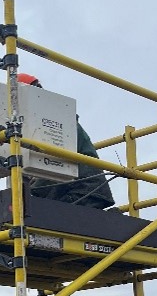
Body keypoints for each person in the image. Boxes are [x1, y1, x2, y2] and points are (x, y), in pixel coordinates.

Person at [17, 73, 115, 210]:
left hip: (84, 191)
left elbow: (54, 163)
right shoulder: (39, 124)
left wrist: (31, 191)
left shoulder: (56, 123)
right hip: (73, 191)